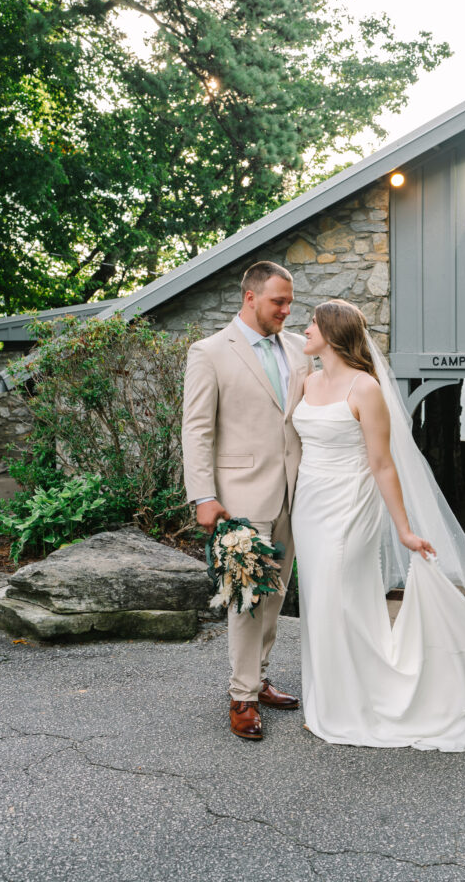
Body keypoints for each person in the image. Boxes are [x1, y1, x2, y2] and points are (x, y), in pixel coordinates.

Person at [291, 299, 465, 751]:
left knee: (337, 599)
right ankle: (327, 700)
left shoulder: (365, 388)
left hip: (348, 506)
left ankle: (359, 704)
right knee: (318, 602)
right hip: (307, 506)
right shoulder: (308, 381)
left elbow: (383, 463)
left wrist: (404, 529)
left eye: (311, 323)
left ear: (331, 332)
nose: (304, 329)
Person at [182, 261, 313, 741]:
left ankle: (258, 678)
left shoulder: (300, 349)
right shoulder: (210, 352)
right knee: (246, 598)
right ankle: (241, 696)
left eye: (290, 302)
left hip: (295, 495)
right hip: (239, 498)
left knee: (276, 594)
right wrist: (203, 495)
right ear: (251, 297)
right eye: (279, 301)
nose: (286, 310)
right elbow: (197, 429)